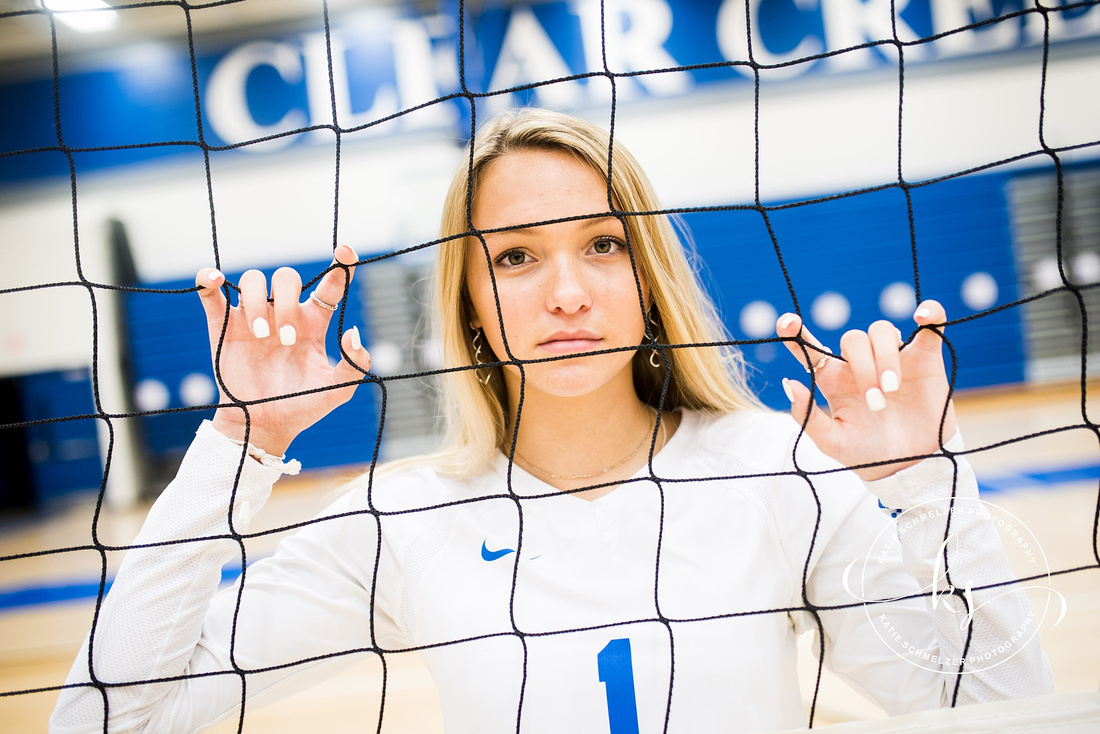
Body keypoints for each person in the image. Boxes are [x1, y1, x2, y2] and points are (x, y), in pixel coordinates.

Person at [51, 108, 1054, 734]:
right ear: (471, 303)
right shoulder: (402, 518)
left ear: (648, 280)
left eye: (602, 245)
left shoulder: (769, 471)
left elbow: (1005, 714)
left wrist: (927, 480)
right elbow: (106, 718)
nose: (564, 291)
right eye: (517, 255)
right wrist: (241, 441)